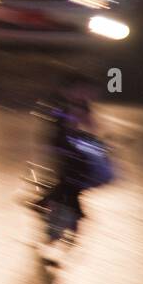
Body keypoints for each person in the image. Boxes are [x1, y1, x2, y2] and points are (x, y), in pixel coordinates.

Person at [36, 74, 104, 257]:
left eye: (89, 92)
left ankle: (48, 204)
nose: (87, 94)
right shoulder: (60, 106)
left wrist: (102, 143)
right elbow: (59, 131)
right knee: (69, 186)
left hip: (77, 151)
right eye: (82, 90)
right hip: (62, 149)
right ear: (70, 90)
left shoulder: (84, 105)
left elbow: (92, 127)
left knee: (75, 185)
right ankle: (53, 232)